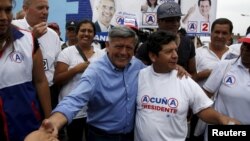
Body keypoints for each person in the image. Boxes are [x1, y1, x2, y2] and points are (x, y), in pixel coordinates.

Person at [134, 30, 240, 141]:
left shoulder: (184, 79)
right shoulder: (139, 76)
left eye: (175, 50)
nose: (175, 56)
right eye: (169, 51)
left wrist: (221, 119)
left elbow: (202, 109)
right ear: (153, 56)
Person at [0, 0, 51, 140]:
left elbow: (41, 81)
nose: (4, 17)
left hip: (26, 129)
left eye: (8, 10)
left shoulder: (28, 39)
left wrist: (49, 121)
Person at [54, 20, 105, 141]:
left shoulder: (101, 55)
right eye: (83, 30)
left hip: (94, 111)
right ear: (77, 33)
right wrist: (75, 70)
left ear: (94, 34)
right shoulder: (67, 52)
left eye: (90, 31)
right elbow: (57, 80)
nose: (86, 34)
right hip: (73, 110)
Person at [12, 0, 62, 109]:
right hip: (21, 93)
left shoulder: (53, 35)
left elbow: (55, 65)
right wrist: (31, 38)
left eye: (47, 8)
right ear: (25, 9)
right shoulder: (12, 28)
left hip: (48, 92)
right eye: (40, 8)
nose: (45, 12)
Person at [202, 33, 250, 141]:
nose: (246, 49)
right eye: (244, 45)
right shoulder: (225, 66)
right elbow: (203, 97)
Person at [156, 2, 198, 79]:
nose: (175, 23)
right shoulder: (149, 43)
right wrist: (173, 67)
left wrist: (187, 82)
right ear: (159, 21)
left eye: (178, 19)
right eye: (170, 20)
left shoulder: (187, 42)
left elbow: (193, 73)